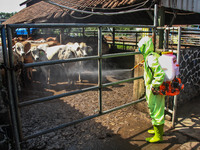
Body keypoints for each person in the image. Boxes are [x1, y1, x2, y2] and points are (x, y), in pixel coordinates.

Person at [137, 35, 165, 143]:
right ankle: (156, 130)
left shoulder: (151, 58)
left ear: (146, 46)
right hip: (153, 87)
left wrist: (154, 85)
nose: (140, 49)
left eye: (141, 47)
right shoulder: (151, 56)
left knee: (156, 110)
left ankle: (159, 136)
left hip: (154, 88)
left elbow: (159, 74)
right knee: (155, 109)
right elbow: (152, 70)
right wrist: (143, 66)